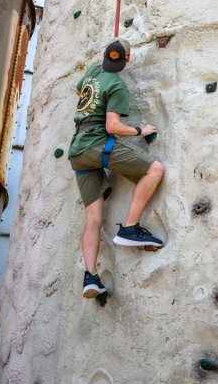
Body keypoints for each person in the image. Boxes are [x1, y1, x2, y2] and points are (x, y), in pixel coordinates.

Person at [68, 38, 165, 298]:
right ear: (128, 60)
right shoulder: (118, 86)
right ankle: (130, 228)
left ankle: (91, 277)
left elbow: (79, 92)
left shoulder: (94, 71)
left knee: (93, 218)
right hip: (98, 144)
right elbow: (112, 127)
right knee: (154, 170)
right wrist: (139, 130)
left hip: (77, 150)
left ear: (103, 56)